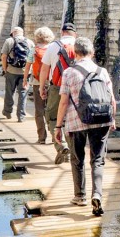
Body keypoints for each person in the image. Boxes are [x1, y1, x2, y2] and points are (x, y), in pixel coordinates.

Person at [54, 37, 116, 215]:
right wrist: (112, 119)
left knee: (77, 158)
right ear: (92, 52)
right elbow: (111, 99)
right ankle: (97, 194)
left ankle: (80, 196)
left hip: (76, 121)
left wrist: (58, 126)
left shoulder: (69, 72)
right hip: (102, 119)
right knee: (98, 159)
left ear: (75, 53)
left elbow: (63, 102)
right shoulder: (102, 71)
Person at [40, 23, 77, 164]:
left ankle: (61, 146)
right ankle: (72, 151)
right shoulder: (80, 45)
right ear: (75, 33)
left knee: (52, 117)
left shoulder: (53, 46)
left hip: (57, 87)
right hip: (77, 88)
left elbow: (44, 69)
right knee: (73, 119)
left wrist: (42, 87)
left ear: (62, 32)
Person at [0, 27, 34, 121]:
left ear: (13, 33)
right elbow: (33, 59)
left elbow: (4, 56)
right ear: (22, 33)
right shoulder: (30, 42)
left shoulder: (9, 41)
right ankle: (21, 116)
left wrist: (4, 69)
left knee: (9, 92)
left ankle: (7, 112)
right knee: (23, 93)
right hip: (25, 72)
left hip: (11, 71)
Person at [30, 27, 54, 144]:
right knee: (51, 110)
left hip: (37, 82)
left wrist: (25, 79)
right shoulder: (53, 49)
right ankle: (55, 136)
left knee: (39, 111)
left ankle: (41, 138)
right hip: (51, 82)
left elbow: (28, 64)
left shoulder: (33, 50)